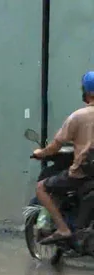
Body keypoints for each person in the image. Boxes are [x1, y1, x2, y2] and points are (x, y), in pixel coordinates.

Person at [35, 71, 94, 245]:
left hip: (83, 173)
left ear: (87, 92)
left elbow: (55, 146)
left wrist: (40, 153)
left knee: (41, 187)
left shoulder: (78, 116)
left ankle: (63, 229)